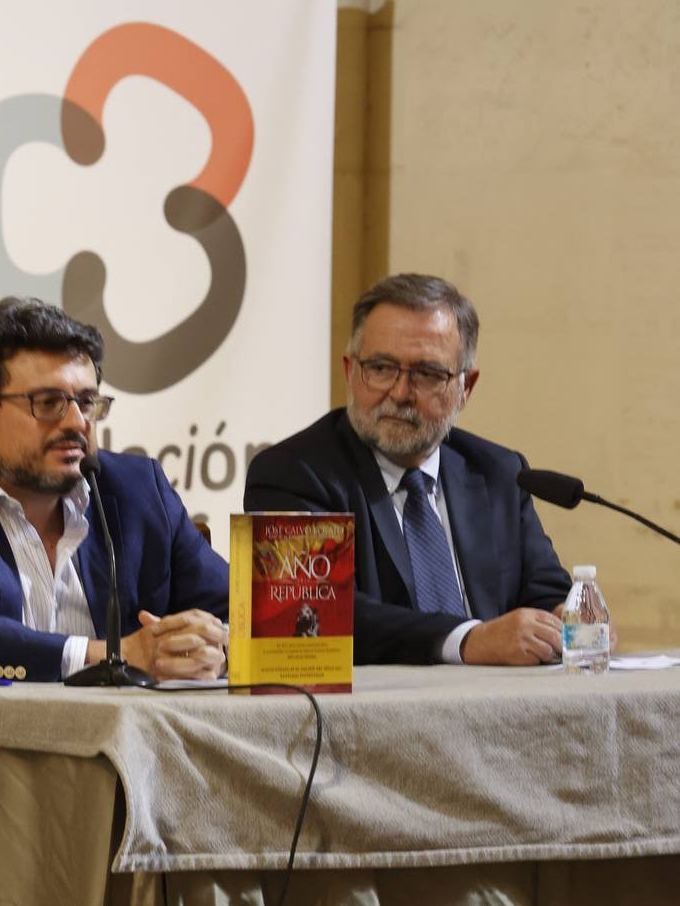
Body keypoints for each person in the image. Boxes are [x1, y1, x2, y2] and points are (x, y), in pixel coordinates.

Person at [0, 297, 228, 682]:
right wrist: (113, 654)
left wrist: (214, 651)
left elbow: (244, 616)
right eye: (48, 403)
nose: (77, 422)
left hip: (121, 737)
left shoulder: (137, 489)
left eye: (87, 402)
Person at [244, 274, 572, 666]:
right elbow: (310, 613)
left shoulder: (498, 472)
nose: (400, 394)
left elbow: (547, 592)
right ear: (350, 370)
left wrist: (567, 621)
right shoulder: (293, 473)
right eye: (381, 368)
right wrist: (467, 641)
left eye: (427, 374)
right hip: (365, 718)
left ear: (466, 387)